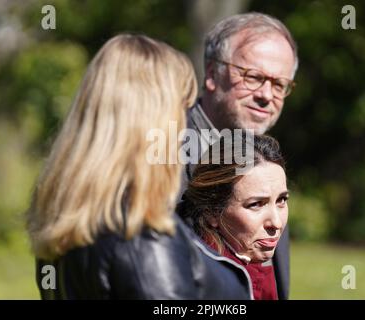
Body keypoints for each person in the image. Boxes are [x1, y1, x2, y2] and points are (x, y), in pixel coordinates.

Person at [26, 34, 252, 299]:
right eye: (181, 107)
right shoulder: (142, 235)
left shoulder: (68, 213)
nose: (184, 124)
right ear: (154, 118)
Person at [181, 12, 298, 300]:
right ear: (211, 74)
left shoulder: (266, 163)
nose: (266, 95)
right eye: (254, 77)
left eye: (279, 84)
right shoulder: (160, 152)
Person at [178, 134, 289, 300]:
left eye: (281, 200)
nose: (276, 222)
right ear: (212, 211)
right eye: (256, 204)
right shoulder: (197, 283)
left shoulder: (252, 268)